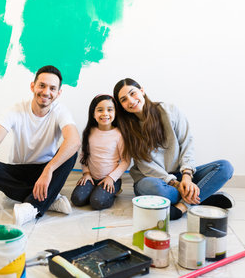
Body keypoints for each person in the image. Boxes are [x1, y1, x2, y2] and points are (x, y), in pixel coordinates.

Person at [0, 65, 81, 226]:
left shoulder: (60, 111)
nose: (46, 92)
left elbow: (74, 141)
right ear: (33, 86)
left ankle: (32, 206)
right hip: (19, 170)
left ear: (58, 93)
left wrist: (49, 170)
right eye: (42, 85)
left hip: (46, 170)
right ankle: (49, 199)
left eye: (52, 88)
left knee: (71, 152)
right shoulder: (15, 110)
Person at [113, 78, 234, 220]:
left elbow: (186, 144)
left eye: (132, 93)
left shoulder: (169, 111)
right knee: (157, 190)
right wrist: (174, 183)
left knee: (225, 167)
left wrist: (187, 178)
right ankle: (203, 196)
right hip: (153, 179)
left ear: (142, 91)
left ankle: (182, 207)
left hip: (181, 174)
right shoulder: (126, 128)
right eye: (124, 100)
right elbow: (145, 165)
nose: (131, 101)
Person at [71, 95, 130, 210]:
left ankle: (115, 191)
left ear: (115, 112)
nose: (105, 114)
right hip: (91, 177)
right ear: (93, 113)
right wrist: (86, 173)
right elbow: (84, 155)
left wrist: (111, 178)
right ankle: (95, 189)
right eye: (100, 110)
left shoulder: (119, 135)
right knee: (77, 200)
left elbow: (126, 161)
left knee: (96, 202)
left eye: (109, 110)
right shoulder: (89, 132)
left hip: (111, 179)